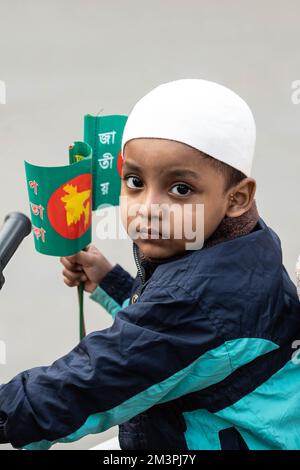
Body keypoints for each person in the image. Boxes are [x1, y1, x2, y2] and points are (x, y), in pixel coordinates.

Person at [1, 79, 300, 450]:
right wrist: (112, 283)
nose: (147, 208)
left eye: (180, 189)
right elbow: (172, 334)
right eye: (135, 181)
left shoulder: (197, 295)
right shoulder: (244, 244)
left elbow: (93, 381)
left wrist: (8, 412)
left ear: (237, 198)